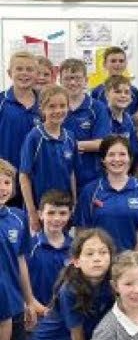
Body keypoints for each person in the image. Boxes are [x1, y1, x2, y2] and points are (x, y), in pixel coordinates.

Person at [13, 229, 115, 340]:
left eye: (103, 252)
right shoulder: (70, 290)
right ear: (76, 261)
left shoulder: (113, 282)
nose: (97, 258)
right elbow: (76, 335)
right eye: (89, 254)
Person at [75, 135, 138, 251]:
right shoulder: (90, 191)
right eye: (111, 154)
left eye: (122, 154)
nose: (117, 159)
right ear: (103, 159)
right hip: (101, 262)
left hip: (134, 263)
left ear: (130, 158)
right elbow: (81, 232)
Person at [19, 86, 78, 232]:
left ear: (68, 107)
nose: (58, 111)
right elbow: (24, 176)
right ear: (42, 109)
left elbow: (71, 173)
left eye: (62, 106)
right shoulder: (35, 137)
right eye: (52, 106)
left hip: (63, 209)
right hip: (41, 211)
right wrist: (32, 213)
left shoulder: (70, 137)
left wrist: (74, 202)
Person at [0, 158, 39, 340]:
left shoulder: (18, 217)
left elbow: (21, 260)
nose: (2, 188)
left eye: (6, 182)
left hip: (14, 305)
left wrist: (30, 301)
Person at [60, 59, 112, 190]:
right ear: (60, 80)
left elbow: (102, 143)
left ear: (86, 80)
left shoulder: (97, 108)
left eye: (77, 78)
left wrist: (69, 146)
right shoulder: (55, 107)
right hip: (60, 172)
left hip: (90, 175)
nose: (72, 83)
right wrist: (85, 145)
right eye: (68, 78)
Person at [27, 190, 73, 315]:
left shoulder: (76, 249)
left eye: (63, 213)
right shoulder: (28, 247)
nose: (57, 218)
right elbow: (20, 285)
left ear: (70, 214)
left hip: (69, 318)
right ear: (40, 214)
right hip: (37, 318)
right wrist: (42, 310)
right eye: (51, 213)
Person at [0, 51, 40, 176]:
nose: (24, 73)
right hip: (6, 178)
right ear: (9, 73)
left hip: (37, 175)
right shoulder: (2, 101)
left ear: (36, 74)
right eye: (19, 69)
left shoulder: (45, 103)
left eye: (29, 69)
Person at [91, 46, 138, 115]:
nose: (117, 64)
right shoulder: (97, 92)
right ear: (104, 64)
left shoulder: (134, 91)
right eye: (113, 61)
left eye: (121, 61)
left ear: (126, 64)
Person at [104, 74, 138, 156]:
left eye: (127, 92)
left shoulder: (128, 119)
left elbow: (134, 149)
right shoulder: (101, 117)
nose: (123, 95)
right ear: (107, 95)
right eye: (118, 92)